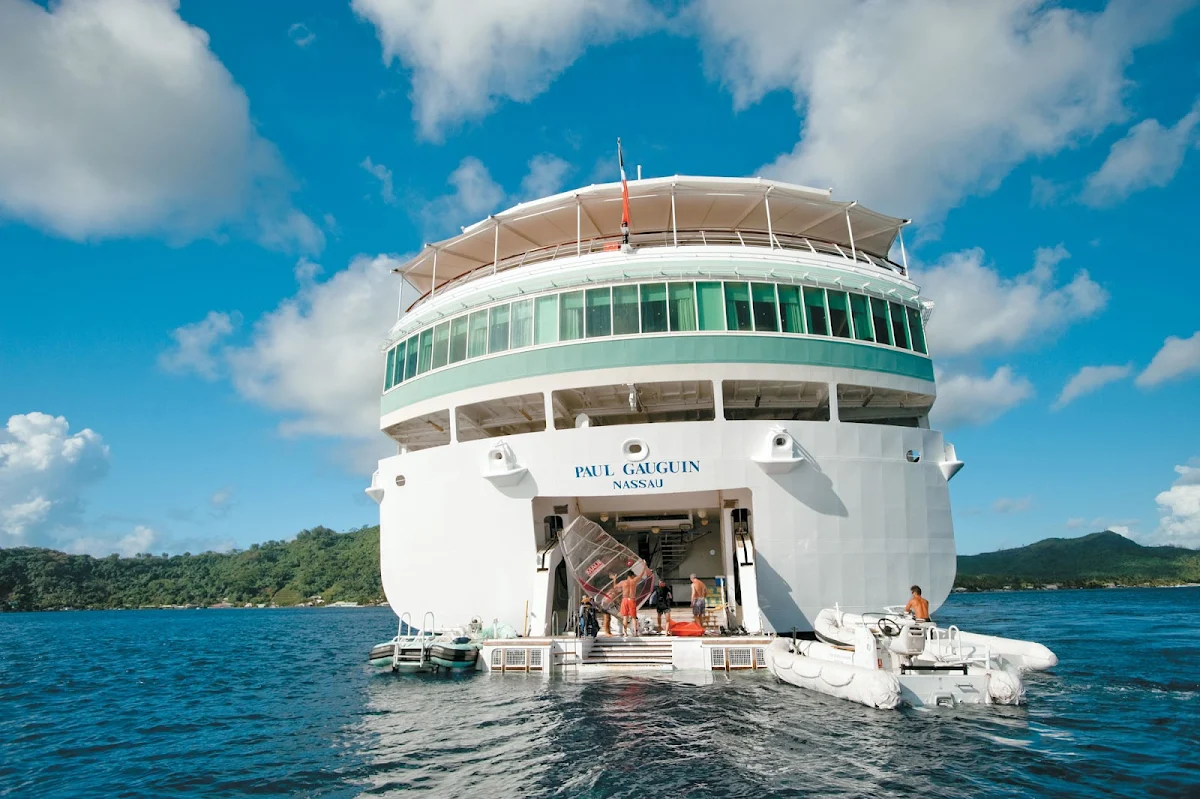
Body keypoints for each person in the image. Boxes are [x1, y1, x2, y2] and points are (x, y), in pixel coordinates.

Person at [618, 570, 640, 636]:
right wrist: (644, 565)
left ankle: (625, 633)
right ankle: (635, 633)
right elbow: (641, 574)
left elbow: (617, 588)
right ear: (632, 575)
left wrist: (614, 579)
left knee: (625, 617)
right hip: (631, 599)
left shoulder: (623, 582)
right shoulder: (634, 580)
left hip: (625, 599)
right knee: (633, 617)